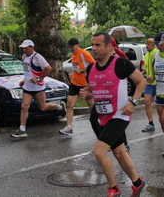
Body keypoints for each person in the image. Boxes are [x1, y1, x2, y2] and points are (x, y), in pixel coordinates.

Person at [79, 32, 147, 197]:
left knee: (99, 151)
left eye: (98, 45)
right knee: (119, 153)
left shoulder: (121, 63)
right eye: (92, 45)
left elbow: (141, 81)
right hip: (103, 116)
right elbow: (90, 91)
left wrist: (133, 102)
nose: (93, 48)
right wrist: (86, 95)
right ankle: (138, 183)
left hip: (120, 115)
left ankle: (114, 188)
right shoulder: (91, 68)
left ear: (109, 47)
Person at [11, 40, 66, 138]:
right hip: (27, 87)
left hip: (38, 87)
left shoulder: (37, 57)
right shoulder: (24, 57)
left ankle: (59, 106)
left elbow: (48, 69)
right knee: (24, 106)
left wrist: (38, 79)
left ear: (32, 47)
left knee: (43, 107)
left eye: (26, 48)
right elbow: (27, 72)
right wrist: (24, 80)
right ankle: (22, 129)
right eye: (23, 48)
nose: (24, 50)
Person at [58, 38, 95, 135]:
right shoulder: (73, 55)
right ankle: (69, 127)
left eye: (72, 47)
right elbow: (76, 68)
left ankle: (101, 121)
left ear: (78, 45)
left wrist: (82, 71)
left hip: (84, 84)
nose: (70, 49)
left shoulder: (84, 53)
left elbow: (94, 65)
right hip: (74, 83)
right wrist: (73, 73)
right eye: (69, 47)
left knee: (91, 105)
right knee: (69, 105)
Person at [141, 38, 157, 132]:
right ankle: (151, 123)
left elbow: (158, 68)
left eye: (149, 44)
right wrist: (141, 74)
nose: (147, 46)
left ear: (154, 45)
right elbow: (147, 69)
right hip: (149, 84)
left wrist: (153, 76)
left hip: (158, 83)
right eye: (146, 44)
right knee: (147, 102)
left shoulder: (157, 54)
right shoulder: (146, 55)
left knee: (160, 105)